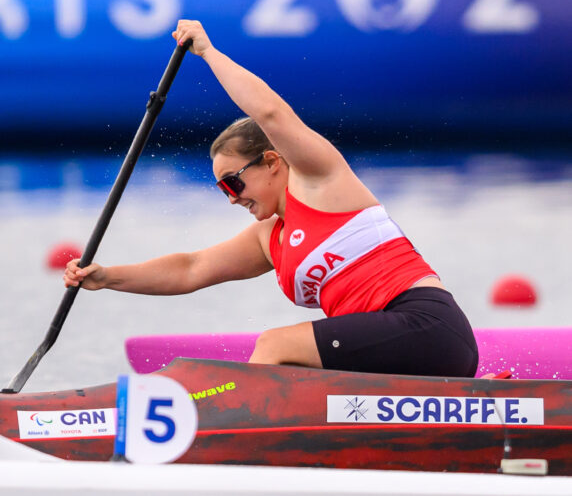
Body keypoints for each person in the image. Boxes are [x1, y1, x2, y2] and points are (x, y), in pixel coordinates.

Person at [64, 19, 478, 377]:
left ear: (271, 161)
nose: (230, 199)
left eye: (233, 183)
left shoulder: (320, 180)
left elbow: (271, 114)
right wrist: (108, 277)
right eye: (221, 190)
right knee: (292, 360)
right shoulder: (269, 238)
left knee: (277, 345)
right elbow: (191, 269)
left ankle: (225, 431)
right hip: (394, 347)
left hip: (430, 327)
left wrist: (208, 52)